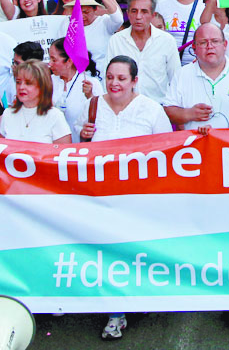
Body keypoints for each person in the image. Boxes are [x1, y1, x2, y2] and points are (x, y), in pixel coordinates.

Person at [76, 55, 172, 340]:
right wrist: (83, 135)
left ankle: (142, 297)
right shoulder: (92, 106)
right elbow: (77, 150)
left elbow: (168, 151)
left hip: (140, 198)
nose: (114, 83)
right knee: (109, 254)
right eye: (110, 77)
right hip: (102, 197)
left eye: (121, 78)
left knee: (137, 252)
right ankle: (115, 313)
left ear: (134, 81)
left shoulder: (151, 110)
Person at [163, 22, 229, 130]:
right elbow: (168, 110)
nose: (209, 47)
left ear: (225, 45)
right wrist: (189, 114)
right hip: (196, 140)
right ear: (194, 47)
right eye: (203, 42)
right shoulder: (182, 75)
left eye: (215, 41)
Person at [104, 0, 181, 102]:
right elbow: (108, 77)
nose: (138, 17)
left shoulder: (167, 41)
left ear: (153, 15)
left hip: (158, 106)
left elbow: (175, 78)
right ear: (128, 13)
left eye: (144, 12)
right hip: (124, 106)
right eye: (134, 11)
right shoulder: (116, 40)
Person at [0, 60, 71, 143]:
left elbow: (64, 150)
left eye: (28, 83)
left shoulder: (55, 116)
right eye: (18, 82)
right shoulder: (8, 114)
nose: (21, 87)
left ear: (42, 86)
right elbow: (1, 148)